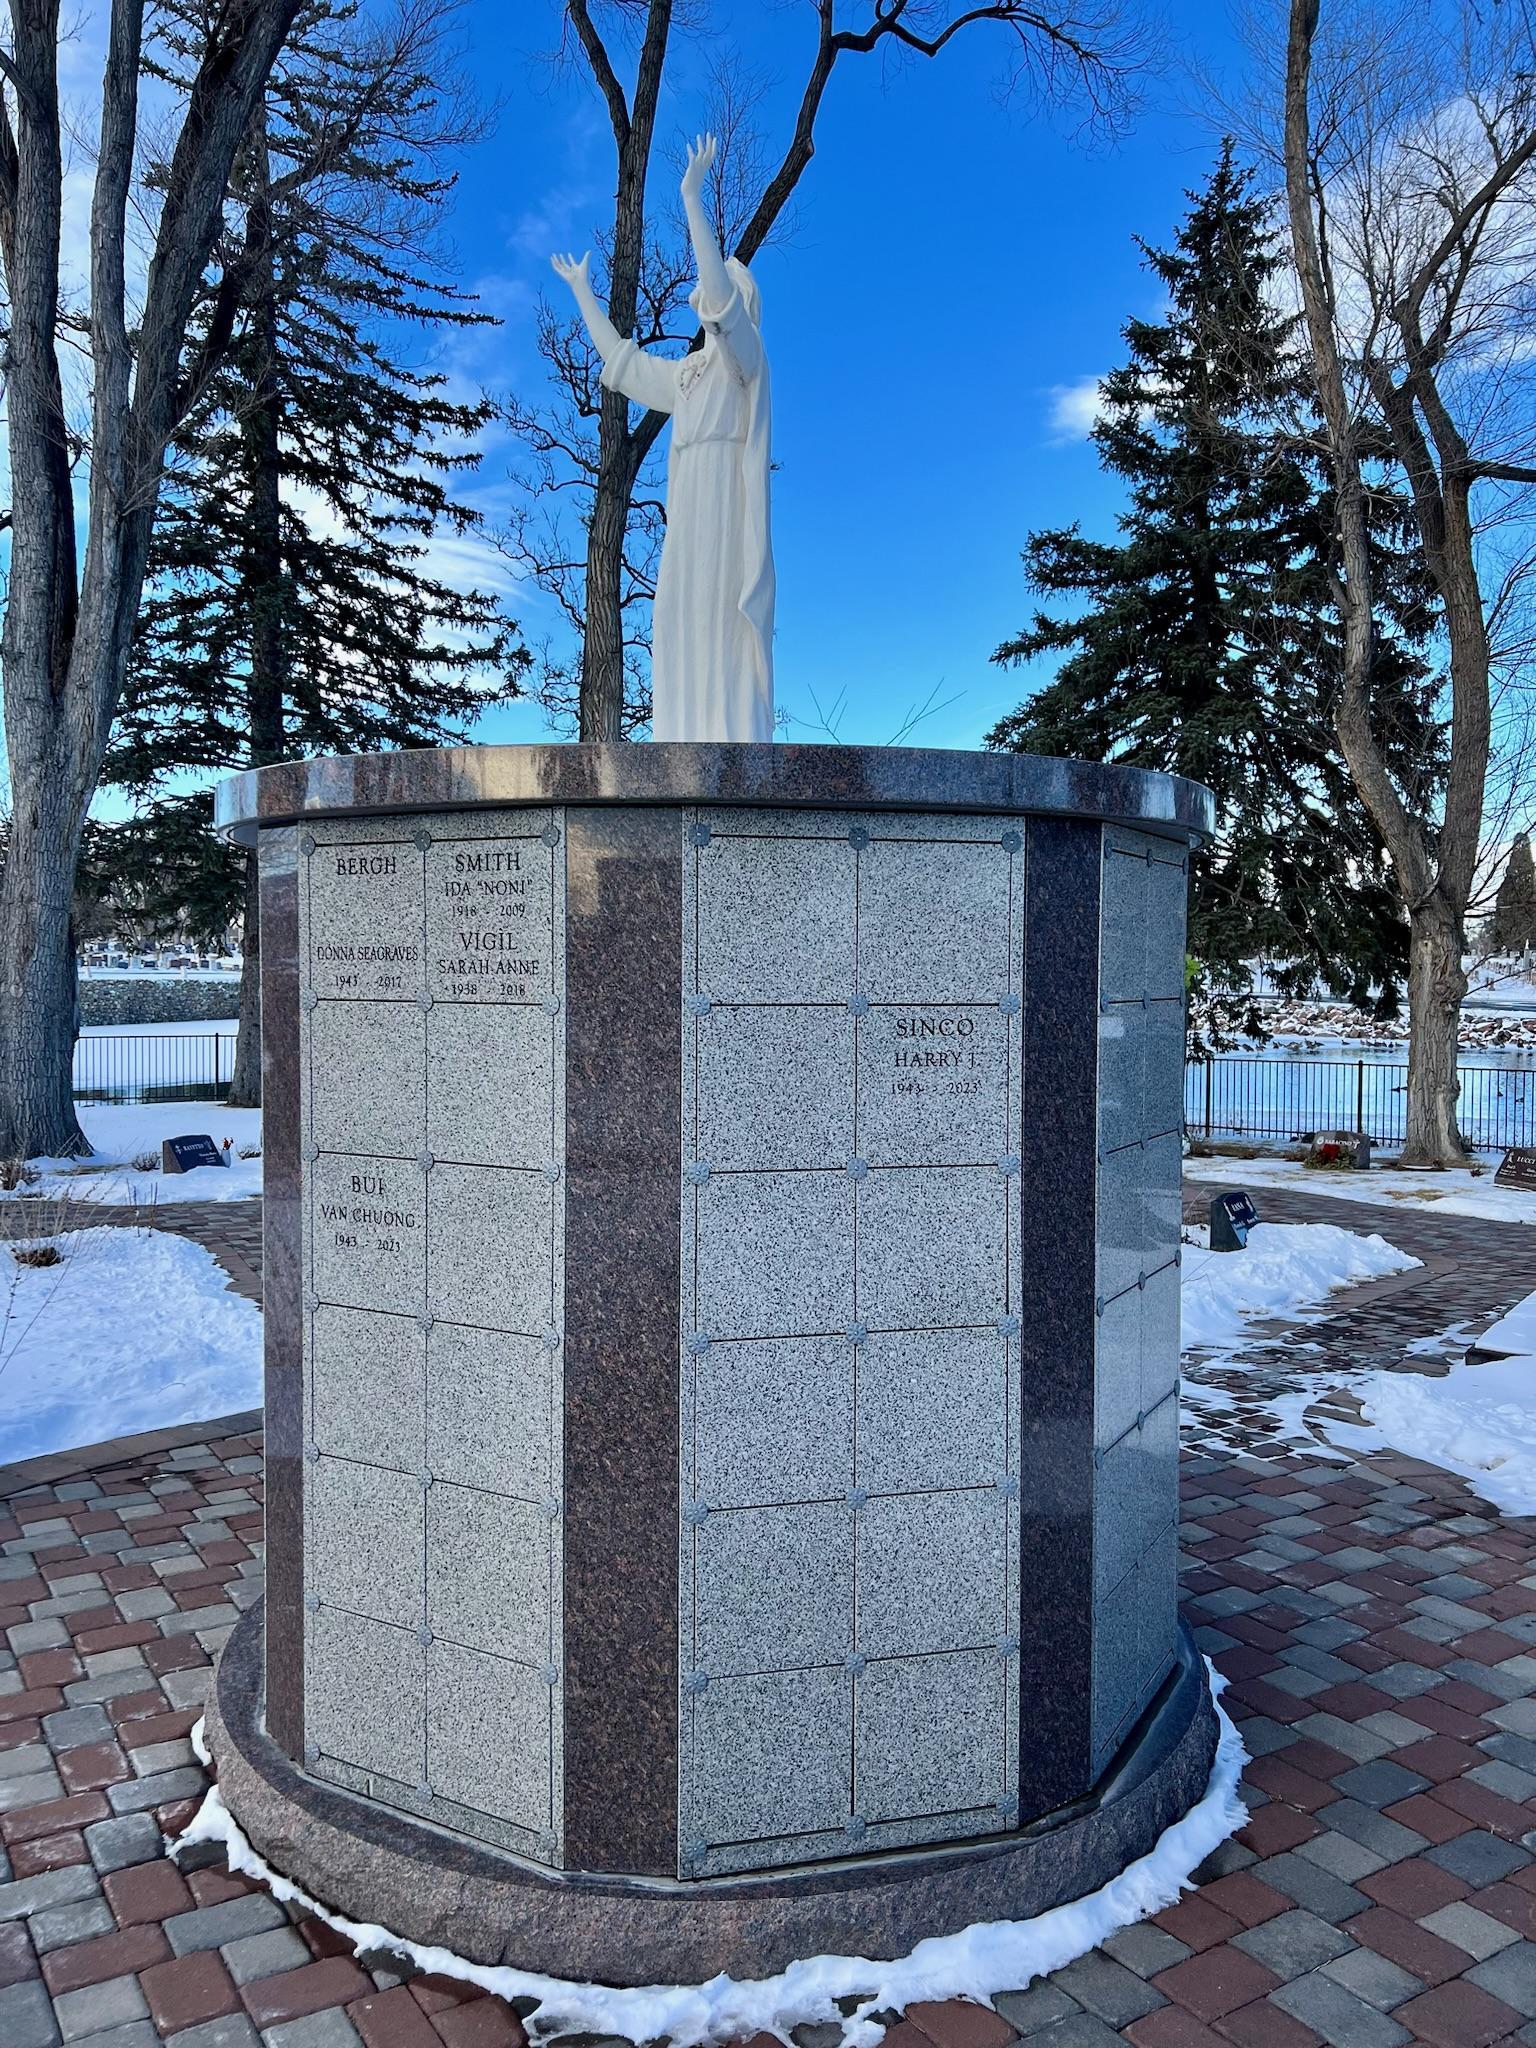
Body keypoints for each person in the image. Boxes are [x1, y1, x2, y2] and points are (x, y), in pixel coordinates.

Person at [552, 133, 774, 743]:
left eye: (720, 292)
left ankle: (730, 740)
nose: (708, 300)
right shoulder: (688, 376)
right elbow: (622, 365)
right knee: (680, 612)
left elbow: (722, 302)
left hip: (725, 499)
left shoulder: (746, 362)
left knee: (722, 613)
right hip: (689, 506)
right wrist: (582, 293)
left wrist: (691, 200)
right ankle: (683, 740)